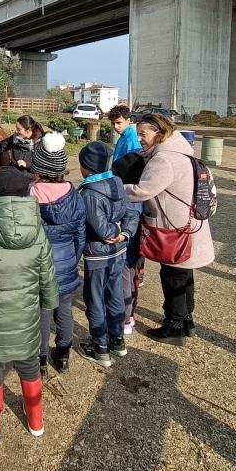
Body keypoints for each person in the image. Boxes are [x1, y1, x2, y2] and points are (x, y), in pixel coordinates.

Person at [0, 166, 57, 440]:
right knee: (30, 367)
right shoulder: (37, 229)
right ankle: (36, 420)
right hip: (27, 320)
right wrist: (50, 303)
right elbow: (48, 273)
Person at [123, 114, 215, 345]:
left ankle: (174, 327)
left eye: (143, 134)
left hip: (174, 230)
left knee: (173, 276)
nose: (140, 139)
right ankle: (186, 321)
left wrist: (114, 187)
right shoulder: (183, 151)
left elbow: (143, 190)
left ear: (159, 132)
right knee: (185, 275)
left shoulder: (164, 159)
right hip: (189, 226)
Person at [77, 141, 141, 367]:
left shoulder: (89, 193)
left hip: (98, 254)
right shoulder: (116, 183)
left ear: (87, 167)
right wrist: (125, 233)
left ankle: (100, 347)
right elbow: (132, 213)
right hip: (119, 252)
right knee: (114, 295)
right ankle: (118, 340)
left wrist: (114, 232)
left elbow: (102, 230)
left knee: (95, 298)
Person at [28, 132, 86, 375]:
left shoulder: (29, 195)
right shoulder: (75, 196)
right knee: (64, 309)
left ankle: (40, 360)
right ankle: (63, 355)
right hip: (66, 265)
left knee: (41, 313)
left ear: (38, 168)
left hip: (39, 267)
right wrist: (73, 259)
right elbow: (80, 236)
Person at [111, 153, 146, 337]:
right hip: (138, 248)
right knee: (133, 278)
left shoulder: (128, 200)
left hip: (126, 248)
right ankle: (130, 314)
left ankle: (124, 319)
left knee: (125, 279)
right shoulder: (141, 196)